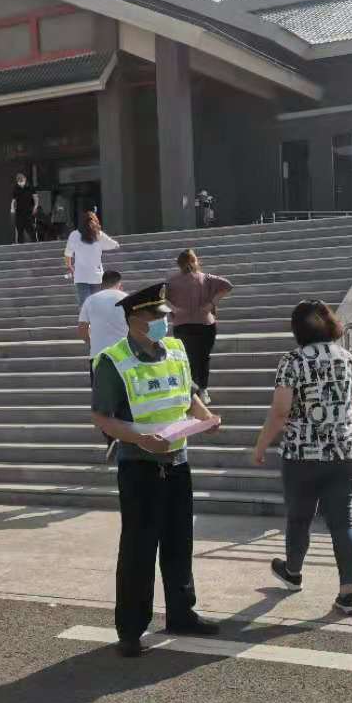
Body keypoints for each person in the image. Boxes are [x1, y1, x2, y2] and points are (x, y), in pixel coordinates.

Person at [90, 282, 223, 657]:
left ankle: (181, 613)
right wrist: (139, 439)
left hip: (177, 461)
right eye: (156, 317)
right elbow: (102, 416)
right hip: (140, 466)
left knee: (180, 542)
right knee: (139, 548)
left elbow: (188, 395)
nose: (164, 322)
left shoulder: (176, 349)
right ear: (134, 318)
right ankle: (131, 629)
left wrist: (206, 418)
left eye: (164, 316)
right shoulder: (113, 360)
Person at [251, 299, 352, 618]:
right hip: (344, 451)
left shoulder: (292, 361)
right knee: (343, 522)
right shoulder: (349, 359)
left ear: (297, 329)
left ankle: (293, 572)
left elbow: (280, 412)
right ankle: (348, 595)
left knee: (299, 517)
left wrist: (260, 446)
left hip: (302, 453)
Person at [165, 249, 233, 404]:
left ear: (179, 264)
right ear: (195, 261)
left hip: (183, 324)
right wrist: (211, 303)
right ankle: (202, 390)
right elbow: (228, 285)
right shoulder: (205, 278)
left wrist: (174, 309)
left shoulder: (172, 281)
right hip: (205, 323)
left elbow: (160, 296)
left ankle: (191, 394)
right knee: (203, 358)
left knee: (187, 359)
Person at [78, 269, 128, 454]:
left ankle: (111, 439)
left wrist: (92, 343)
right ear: (119, 284)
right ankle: (127, 438)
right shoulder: (127, 298)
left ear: (101, 283)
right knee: (126, 396)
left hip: (99, 357)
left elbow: (82, 329)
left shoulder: (90, 300)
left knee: (103, 401)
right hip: (125, 356)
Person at [64, 210, 119, 308]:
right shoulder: (98, 235)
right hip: (96, 276)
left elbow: (68, 253)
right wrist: (100, 237)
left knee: (85, 306)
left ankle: (87, 318)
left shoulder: (74, 235)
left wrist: (69, 266)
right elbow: (115, 245)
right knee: (97, 305)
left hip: (81, 276)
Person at [10, 172, 37, 244]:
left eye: (21, 181)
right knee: (19, 229)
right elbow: (13, 200)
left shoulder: (30, 187)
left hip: (28, 211)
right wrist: (12, 209)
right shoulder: (16, 188)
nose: (20, 183)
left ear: (25, 179)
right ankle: (20, 244)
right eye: (19, 181)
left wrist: (35, 206)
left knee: (30, 228)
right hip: (19, 211)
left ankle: (35, 242)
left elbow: (35, 197)